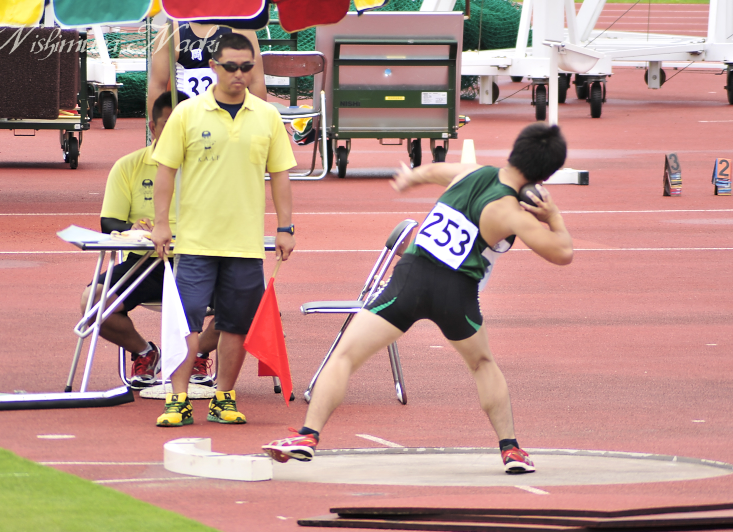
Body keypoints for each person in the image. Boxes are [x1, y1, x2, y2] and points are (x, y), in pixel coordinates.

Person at [263, 123, 573, 474]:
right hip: (456, 293)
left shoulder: (473, 172)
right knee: (482, 364)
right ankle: (511, 449)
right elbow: (563, 253)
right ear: (546, 175)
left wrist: (412, 178)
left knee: (345, 356)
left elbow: (434, 170)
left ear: (515, 149)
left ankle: (308, 436)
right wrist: (554, 217)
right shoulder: (510, 212)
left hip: (410, 279)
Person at [150, 33, 297, 427]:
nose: (238, 74)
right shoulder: (186, 113)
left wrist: (285, 227)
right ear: (214, 67)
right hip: (196, 240)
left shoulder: (267, 116)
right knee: (188, 321)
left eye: (246, 67)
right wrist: (161, 224)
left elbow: (280, 175)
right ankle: (177, 398)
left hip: (246, 243)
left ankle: (223, 396)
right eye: (230, 66)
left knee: (236, 323)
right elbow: (165, 171)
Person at [80, 91, 219, 390]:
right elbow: (109, 223)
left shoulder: (212, 168)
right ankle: (145, 352)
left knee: (246, 305)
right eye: (168, 124)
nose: (176, 132)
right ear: (152, 127)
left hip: (200, 262)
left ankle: (196, 354)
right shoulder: (128, 166)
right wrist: (132, 227)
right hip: (145, 264)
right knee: (92, 303)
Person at [146, 21, 267, 122]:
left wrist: (260, 123)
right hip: (187, 119)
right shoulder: (172, 31)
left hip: (231, 117)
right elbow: (157, 85)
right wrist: (156, 133)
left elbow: (256, 80)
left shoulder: (241, 28)